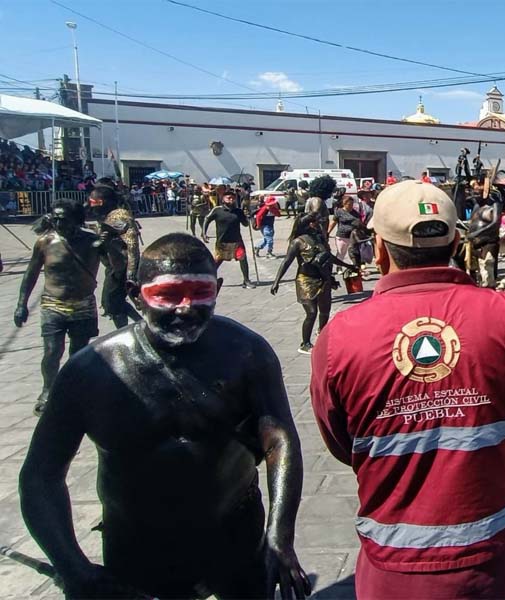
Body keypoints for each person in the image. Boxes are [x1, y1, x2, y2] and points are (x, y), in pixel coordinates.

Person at [19, 233, 311, 600]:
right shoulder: (91, 371)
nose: (186, 307)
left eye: (200, 292)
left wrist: (279, 535)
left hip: (235, 531)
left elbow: (279, 439)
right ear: (135, 293)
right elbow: (40, 476)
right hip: (137, 543)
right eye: (169, 295)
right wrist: (71, 566)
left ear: (218, 289)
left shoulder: (247, 352)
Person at [309, 180, 505, 599]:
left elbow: (341, 443)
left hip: (395, 573)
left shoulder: (339, 338)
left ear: (379, 248)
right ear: (457, 240)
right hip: (500, 562)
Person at [14, 199, 104, 415]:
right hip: (53, 305)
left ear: (76, 220)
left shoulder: (92, 241)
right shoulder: (45, 242)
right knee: (53, 351)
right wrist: (21, 304)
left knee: (79, 352)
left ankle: (77, 389)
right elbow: (31, 273)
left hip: (83, 304)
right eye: (54, 218)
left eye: (62, 219)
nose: (57, 222)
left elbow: (116, 267)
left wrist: (110, 246)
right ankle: (48, 390)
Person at [271, 214, 355, 353]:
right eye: (314, 222)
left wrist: (348, 265)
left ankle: (322, 338)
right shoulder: (298, 242)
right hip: (306, 280)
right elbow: (286, 261)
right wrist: (276, 281)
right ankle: (305, 343)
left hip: (323, 278)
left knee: (325, 311)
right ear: (307, 224)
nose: (318, 224)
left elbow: (329, 257)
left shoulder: (319, 238)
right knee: (311, 312)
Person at [88, 185, 143, 329]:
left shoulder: (119, 215)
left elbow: (131, 244)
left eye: (95, 203)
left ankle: (129, 331)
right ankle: (141, 325)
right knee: (112, 303)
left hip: (122, 266)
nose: (92, 207)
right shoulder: (108, 216)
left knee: (112, 303)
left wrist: (131, 273)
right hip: (113, 266)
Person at [202, 190, 255, 288]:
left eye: (233, 198)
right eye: (228, 198)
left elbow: (245, 224)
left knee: (242, 258)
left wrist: (247, 216)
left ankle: (246, 280)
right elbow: (207, 219)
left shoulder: (238, 211)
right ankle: (206, 280)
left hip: (237, 241)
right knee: (216, 262)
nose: (231, 200)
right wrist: (203, 233)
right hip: (222, 242)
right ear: (223, 199)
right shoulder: (217, 210)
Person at [333, 194, 363, 263]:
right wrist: (328, 232)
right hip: (342, 236)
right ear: (344, 204)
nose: (351, 206)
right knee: (341, 253)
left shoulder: (355, 213)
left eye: (352, 204)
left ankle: (354, 267)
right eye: (349, 204)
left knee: (353, 253)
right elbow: (333, 223)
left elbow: (359, 222)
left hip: (353, 237)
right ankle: (339, 267)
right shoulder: (339, 212)